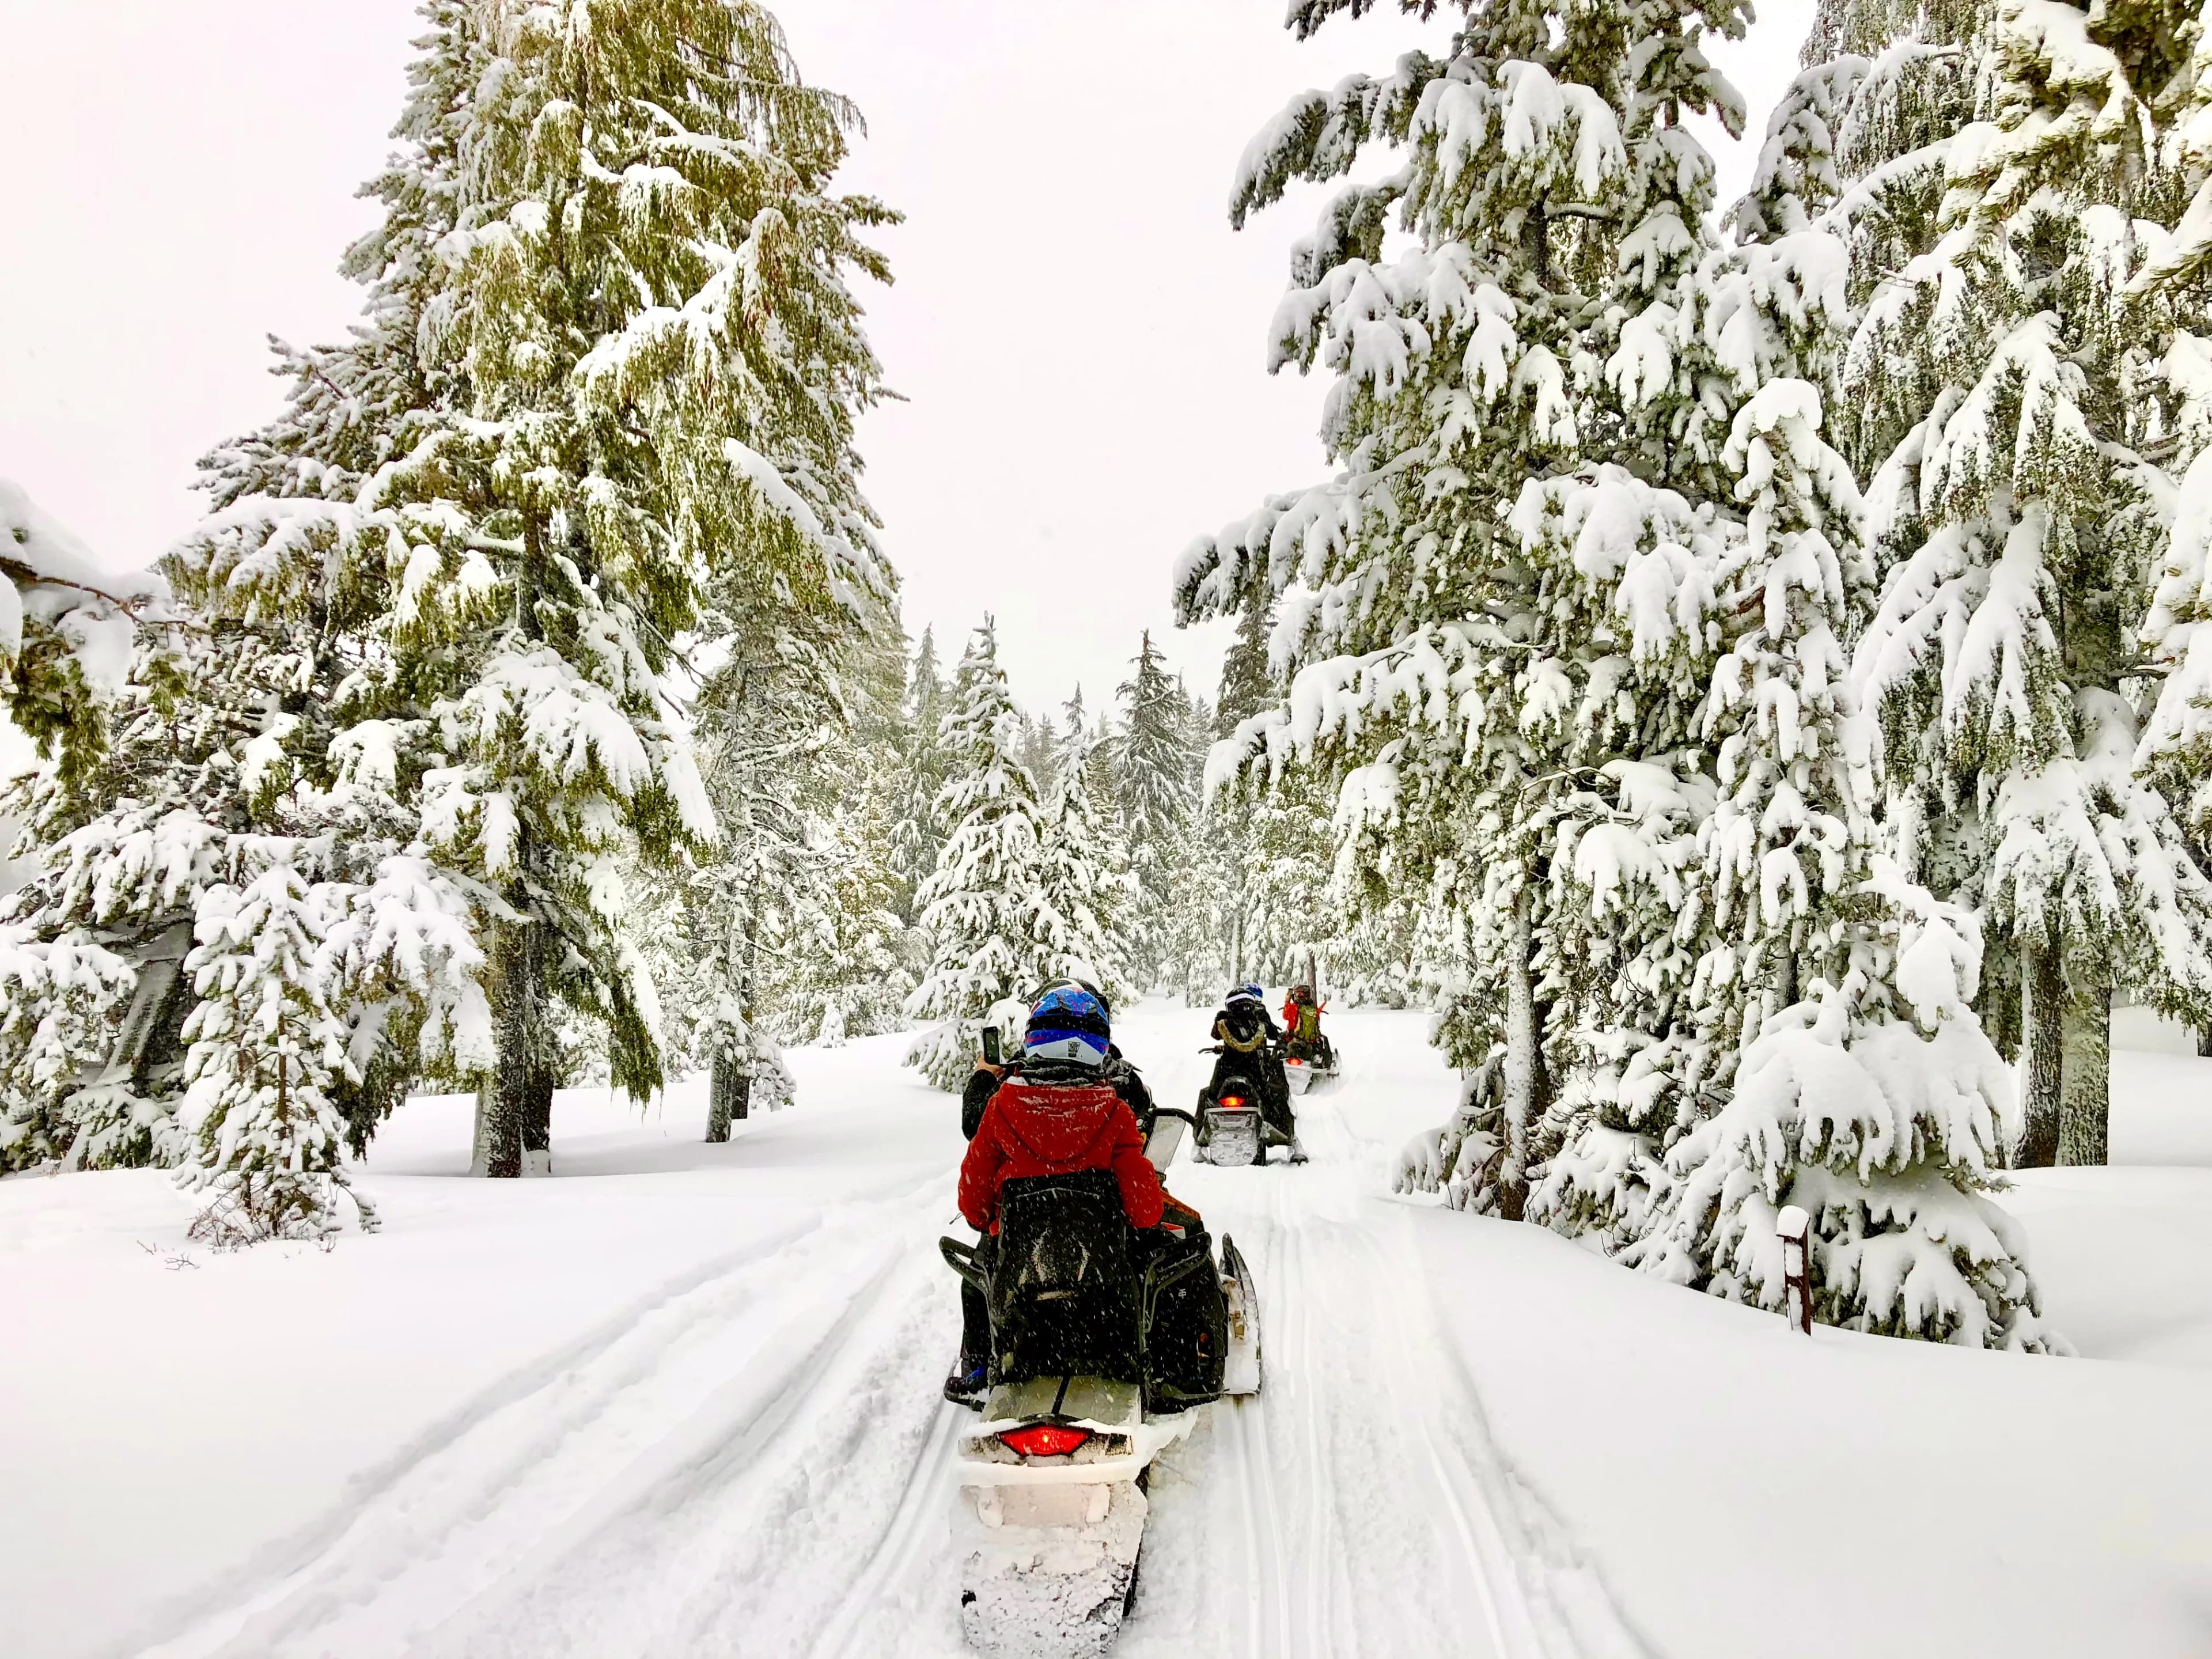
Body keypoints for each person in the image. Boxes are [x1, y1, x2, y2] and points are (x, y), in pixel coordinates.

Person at [944, 982, 1196, 1406]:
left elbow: (972, 1205)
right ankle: (1171, 1368)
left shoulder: (1001, 1106)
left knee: (979, 1272)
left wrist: (997, 1221)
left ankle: (979, 1367)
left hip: (1022, 1289)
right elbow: (1146, 1211)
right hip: (1103, 1289)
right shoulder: (1115, 1112)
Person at [1207, 982, 1305, 1162]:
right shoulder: (1258, 1023)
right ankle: (1291, 1140)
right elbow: (1273, 1034)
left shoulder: (1224, 1022)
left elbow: (1215, 1034)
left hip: (1227, 1073)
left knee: (1207, 1096)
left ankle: (1199, 1144)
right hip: (1253, 1074)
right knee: (1276, 1094)